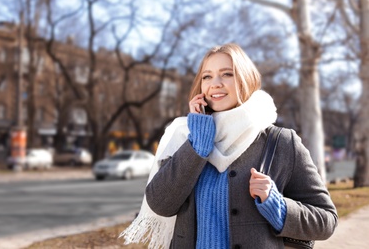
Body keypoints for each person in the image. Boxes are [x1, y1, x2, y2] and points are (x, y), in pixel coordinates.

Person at [120, 43, 338, 248]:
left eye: (227, 74)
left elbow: (326, 220)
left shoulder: (281, 142)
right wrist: (198, 144)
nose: (215, 83)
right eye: (207, 76)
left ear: (246, 79)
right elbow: (160, 204)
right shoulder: (185, 136)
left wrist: (276, 204)